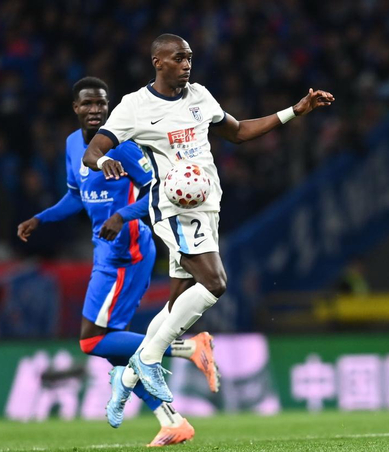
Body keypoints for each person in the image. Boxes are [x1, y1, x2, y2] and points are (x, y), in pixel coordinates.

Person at [82, 34, 334, 422]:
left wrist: (294, 112)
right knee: (215, 283)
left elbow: (239, 132)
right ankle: (148, 359)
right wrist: (104, 163)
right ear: (158, 62)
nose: (187, 64)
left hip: (207, 206)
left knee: (177, 301)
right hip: (174, 209)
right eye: (178, 58)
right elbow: (93, 151)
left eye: (189, 58)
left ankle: (127, 378)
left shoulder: (200, 96)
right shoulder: (135, 106)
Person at [17, 76, 219, 446]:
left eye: (101, 103)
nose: (95, 110)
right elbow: (76, 196)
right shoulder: (73, 145)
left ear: (109, 106)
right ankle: (172, 420)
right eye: (87, 103)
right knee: (110, 346)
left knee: (93, 341)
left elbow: (159, 192)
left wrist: (122, 216)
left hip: (130, 252)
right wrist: (40, 219)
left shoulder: (123, 146)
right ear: (75, 108)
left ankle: (187, 348)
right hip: (105, 252)